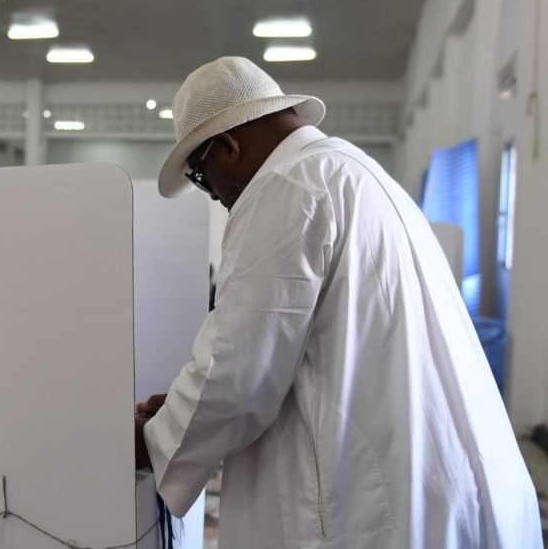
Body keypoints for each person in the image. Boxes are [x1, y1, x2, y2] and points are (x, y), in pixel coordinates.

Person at [133, 57, 539, 547]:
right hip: (449, 485)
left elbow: (237, 371)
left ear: (228, 147)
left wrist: (152, 441)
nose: (214, 195)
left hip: (387, 510)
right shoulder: (355, 171)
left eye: (200, 175)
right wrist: (180, 408)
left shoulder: (286, 188)